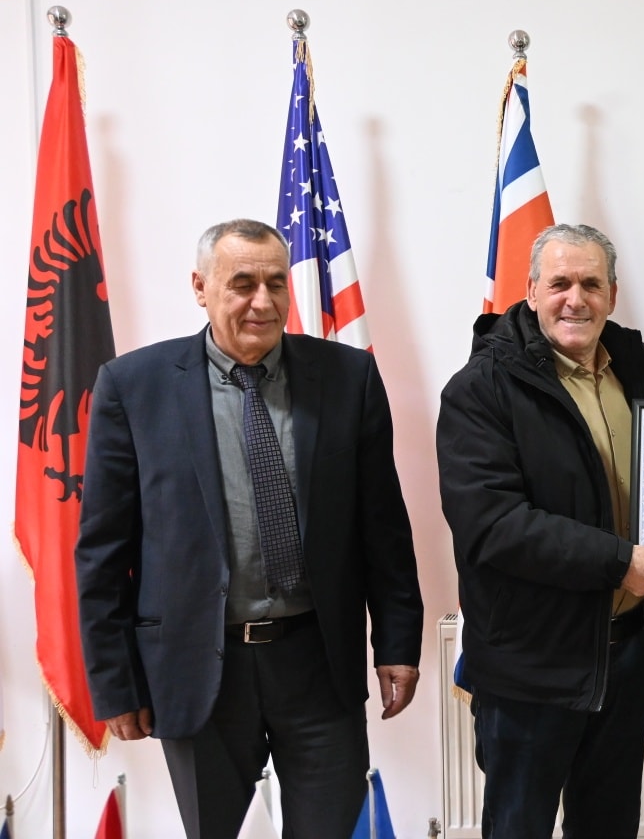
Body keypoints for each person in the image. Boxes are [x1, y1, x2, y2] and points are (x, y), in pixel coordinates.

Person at [75, 220, 423, 839]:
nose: (263, 302)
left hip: (319, 663)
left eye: (275, 283)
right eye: (242, 284)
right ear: (200, 288)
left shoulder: (348, 378)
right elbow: (103, 552)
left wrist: (397, 643)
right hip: (198, 670)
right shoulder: (133, 387)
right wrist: (114, 682)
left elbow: (384, 528)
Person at [437, 224, 644, 839]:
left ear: (613, 294)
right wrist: (621, 563)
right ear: (531, 290)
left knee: (609, 824)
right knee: (519, 826)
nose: (575, 299)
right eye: (559, 283)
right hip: (530, 659)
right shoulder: (481, 389)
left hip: (626, 651)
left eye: (590, 284)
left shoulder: (635, 369)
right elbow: (493, 525)